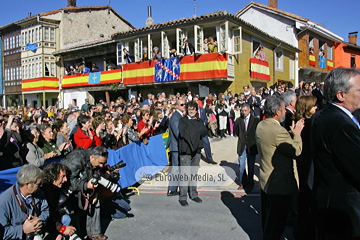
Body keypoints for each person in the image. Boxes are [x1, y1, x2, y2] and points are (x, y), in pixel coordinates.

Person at [309, 68, 360, 239]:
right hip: (343, 209)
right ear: (341, 95)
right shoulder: (340, 124)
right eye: (359, 90)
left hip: (327, 202)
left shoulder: (323, 115)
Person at [256, 95, 304, 240]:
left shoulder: (261, 125)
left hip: (265, 182)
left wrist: (289, 134)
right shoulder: (278, 131)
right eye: (283, 109)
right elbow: (296, 150)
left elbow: (273, 142)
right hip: (279, 185)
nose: (285, 112)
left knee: (268, 221)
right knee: (276, 225)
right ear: (277, 112)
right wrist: (297, 134)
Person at [61, 146, 113, 240]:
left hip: (83, 187)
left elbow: (95, 177)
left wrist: (95, 194)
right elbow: (69, 181)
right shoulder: (76, 160)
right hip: (67, 191)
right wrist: (85, 186)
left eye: (104, 163)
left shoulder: (94, 163)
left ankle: (94, 233)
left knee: (95, 201)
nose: (101, 165)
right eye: (100, 163)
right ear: (92, 157)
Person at [0, 164, 49, 240]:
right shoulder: (4, 202)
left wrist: (39, 221)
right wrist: (23, 229)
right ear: (26, 184)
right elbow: (3, 233)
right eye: (38, 184)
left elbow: (45, 210)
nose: (41, 186)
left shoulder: (38, 192)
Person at [292, 95, 317, 239]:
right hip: (306, 164)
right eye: (314, 106)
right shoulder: (308, 124)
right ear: (307, 108)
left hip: (303, 163)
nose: (316, 108)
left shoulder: (298, 122)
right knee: (306, 197)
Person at [178, 101, 208, 206]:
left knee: (194, 174)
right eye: (189, 109)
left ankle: (194, 194)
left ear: (196, 110)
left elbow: (204, 132)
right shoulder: (183, 120)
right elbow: (183, 133)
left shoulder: (199, 121)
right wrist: (196, 130)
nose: (191, 111)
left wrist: (196, 129)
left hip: (197, 150)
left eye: (193, 109)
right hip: (186, 150)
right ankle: (182, 197)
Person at [41, 162, 79, 240]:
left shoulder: (56, 188)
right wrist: (62, 229)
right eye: (63, 176)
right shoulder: (44, 191)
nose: (65, 179)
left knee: (67, 218)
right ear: (53, 175)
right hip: (43, 223)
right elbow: (48, 216)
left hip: (53, 219)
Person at [234, 103, 260, 192]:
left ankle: (250, 183)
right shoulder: (238, 120)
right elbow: (236, 131)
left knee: (251, 166)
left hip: (251, 145)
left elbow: (258, 132)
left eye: (245, 110)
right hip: (242, 145)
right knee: (241, 166)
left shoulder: (256, 120)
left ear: (249, 110)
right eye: (242, 111)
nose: (243, 112)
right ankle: (242, 183)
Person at [167, 98, 186, 196]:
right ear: (177, 106)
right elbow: (178, 132)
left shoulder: (180, 115)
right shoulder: (175, 117)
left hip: (178, 147)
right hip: (175, 147)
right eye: (182, 104)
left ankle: (174, 188)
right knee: (176, 168)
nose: (184, 106)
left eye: (185, 104)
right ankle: (171, 189)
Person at [195, 96, 216, 165]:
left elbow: (205, 119)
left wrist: (205, 122)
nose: (195, 102)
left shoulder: (202, 110)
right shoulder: (190, 111)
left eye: (196, 101)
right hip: (195, 131)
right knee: (196, 146)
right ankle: (195, 161)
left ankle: (209, 159)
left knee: (206, 144)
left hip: (203, 130)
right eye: (194, 100)